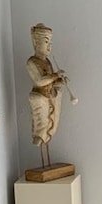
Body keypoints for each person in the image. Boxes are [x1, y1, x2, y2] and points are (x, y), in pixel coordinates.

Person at [26, 23, 71, 166]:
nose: (49, 47)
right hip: (40, 97)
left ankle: (45, 140)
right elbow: (39, 81)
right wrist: (55, 75)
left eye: (50, 43)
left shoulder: (48, 62)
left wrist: (60, 79)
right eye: (46, 42)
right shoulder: (31, 62)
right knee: (42, 123)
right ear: (35, 42)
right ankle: (39, 138)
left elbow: (51, 79)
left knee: (52, 123)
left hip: (50, 96)